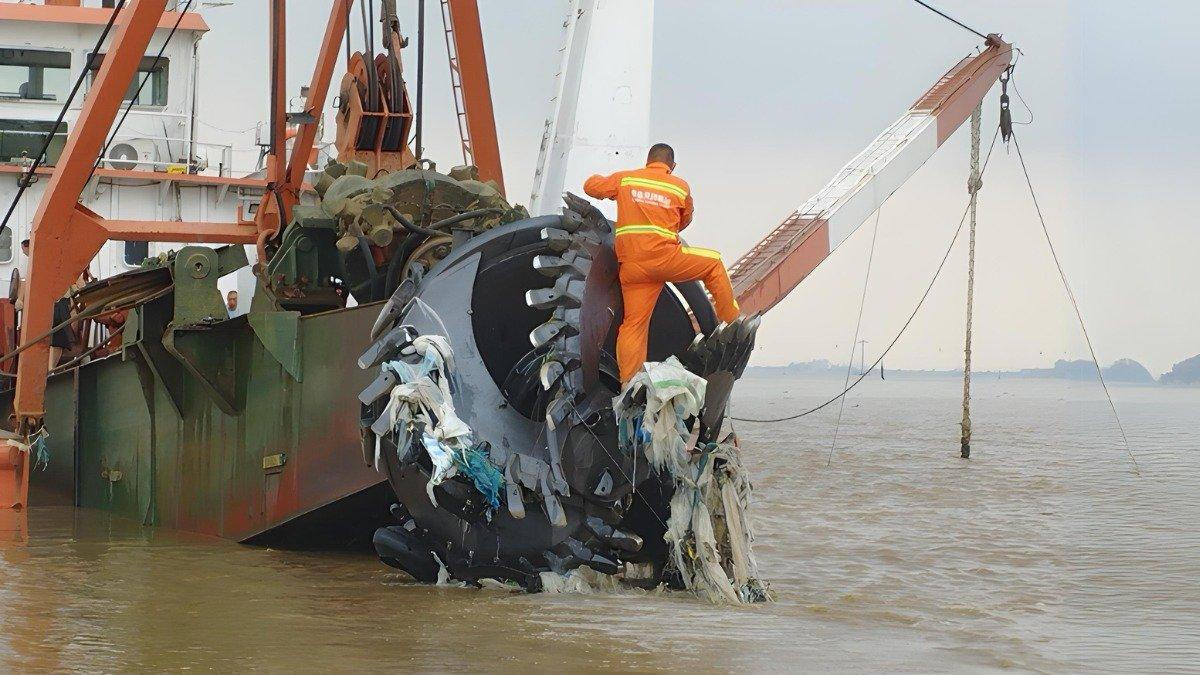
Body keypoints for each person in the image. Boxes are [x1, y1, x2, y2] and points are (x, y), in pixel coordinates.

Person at [584, 143, 740, 384]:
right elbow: (684, 220)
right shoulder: (679, 186)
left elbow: (591, 187)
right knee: (714, 263)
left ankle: (630, 383)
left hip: (633, 267)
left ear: (648, 161)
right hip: (666, 260)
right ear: (672, 166)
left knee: (633, 326)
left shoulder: (626, 179)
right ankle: (732, 322)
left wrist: (601, 179)